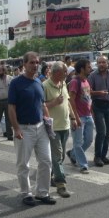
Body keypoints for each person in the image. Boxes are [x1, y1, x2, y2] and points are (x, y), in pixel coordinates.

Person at [8, 51, 56, 206]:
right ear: (24, 64)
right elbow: (11, 108)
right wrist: (16, 129)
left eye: (37, 63)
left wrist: (48, 123)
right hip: (24, 128)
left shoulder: (38, 83)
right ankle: (26, 193)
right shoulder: (16, 83)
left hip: (41, 128)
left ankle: (42, 192)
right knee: (23, 163)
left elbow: (42, 105)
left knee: (46, 161)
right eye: (32, 63)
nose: (35, 65)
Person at [43, 61, 76, 198]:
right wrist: (54, 102)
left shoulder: (63, 84)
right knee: (57, 157)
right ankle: (61, 184)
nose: (66, 74)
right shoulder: (44, 85)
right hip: (53, 127)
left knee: (60, 156)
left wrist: (73, 118)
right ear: (57, 72)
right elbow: (41, 105)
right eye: (64, 72)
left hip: (65, 125)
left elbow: (67, 102)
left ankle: (50, 175)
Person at [88, 56, 109, 166]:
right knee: (101, 132)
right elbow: (88, 91)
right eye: (99, 62)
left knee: (108, 133)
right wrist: (99, 93)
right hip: (98, 106)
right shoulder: (92, 75)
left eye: (103, 62)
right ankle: (97, 157)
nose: (101, 64)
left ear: (107, 63)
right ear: (97, 64)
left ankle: (103, 156)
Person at [67, 59, 95, 173]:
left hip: (88, 116)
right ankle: (83, 165)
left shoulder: (86, 81)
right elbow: (71, 100)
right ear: (82, 69)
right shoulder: (75, 82)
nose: (90, 69)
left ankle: (72, 154)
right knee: (78, 142)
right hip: (79, 117)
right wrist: (75, 117)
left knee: (88, 140)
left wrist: (91, 111)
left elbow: (88, 96)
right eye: (88, 67)